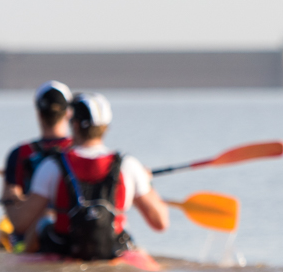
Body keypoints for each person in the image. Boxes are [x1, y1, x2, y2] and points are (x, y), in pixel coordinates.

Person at [10, 92, 169, 260]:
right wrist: (147, 183)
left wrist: (14, 198)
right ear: (106, 128)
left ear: (75, 125)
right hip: (112, 252)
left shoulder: (51, 166)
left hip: (64, 251)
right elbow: (160, 223)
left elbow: (21, 224)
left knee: (41, 224)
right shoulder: (129, 166)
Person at [0, 81, 75, 221]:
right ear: (68, 113)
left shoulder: (18, 154)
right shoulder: (79, 152)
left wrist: (10, 201)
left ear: (39, 113)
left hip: (29, 231)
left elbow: (9, 202)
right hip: (72, 230)